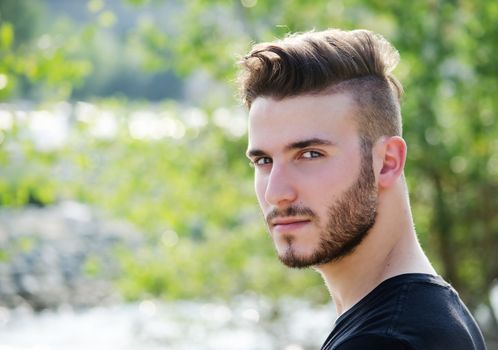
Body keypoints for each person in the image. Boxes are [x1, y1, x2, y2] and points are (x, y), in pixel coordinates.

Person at [237, 29, 487, 350]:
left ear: (386, 162)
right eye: (264, 160)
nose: (276, 192)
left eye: (310, 154)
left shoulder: (388, 340)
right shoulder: (433, 319)